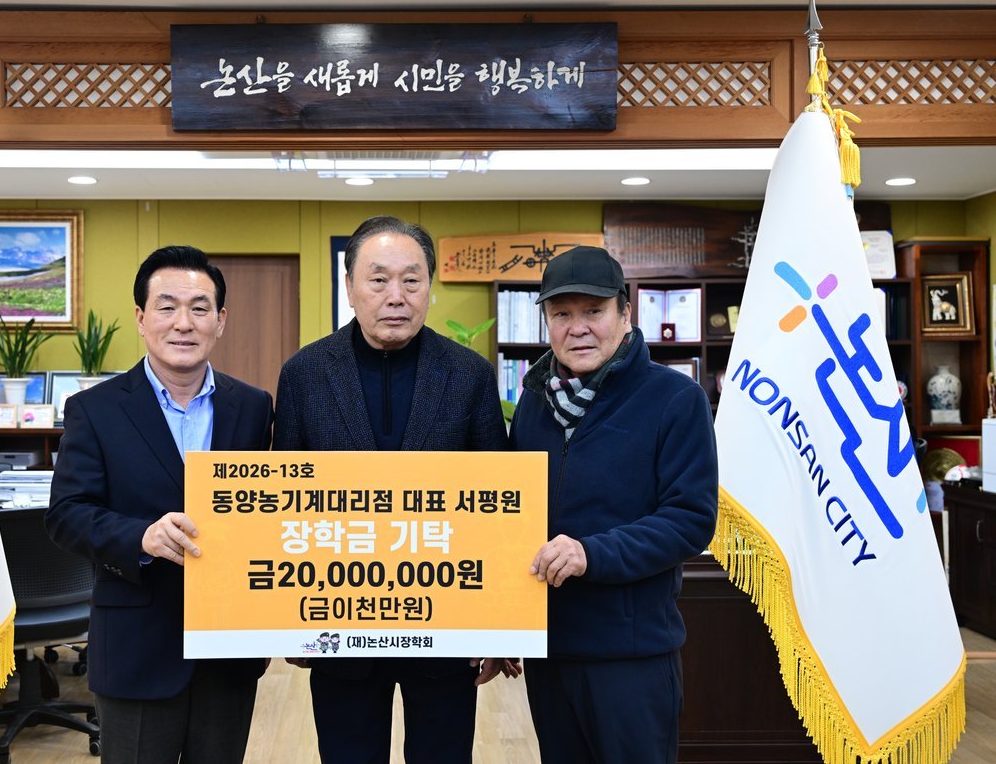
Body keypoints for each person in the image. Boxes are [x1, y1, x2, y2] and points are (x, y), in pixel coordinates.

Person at [273, 215, 514, 764]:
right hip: (338, 623)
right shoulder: (304, 374)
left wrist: (500, 622)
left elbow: (499, 505)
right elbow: (284, 505)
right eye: (378, 279)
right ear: (349, 286)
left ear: (430, 287)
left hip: (446, 625)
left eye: (412, 279)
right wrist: (288, 620)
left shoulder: (470, 374)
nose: (396, 296)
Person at [46, 245, 273, 764]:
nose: (183, 323)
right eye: (167, 307)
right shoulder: (95, 410)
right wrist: (140, 537)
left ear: (220, 320)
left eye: (199, 308)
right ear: (142, 318)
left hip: (228, 646)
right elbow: (66, 514)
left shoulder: (253, 407)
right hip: (137, 644)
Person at [509, 245, 718, 764]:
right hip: (550, 652)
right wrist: (503, 626)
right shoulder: (534, 403)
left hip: (631, 655)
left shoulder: (675, 398)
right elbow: (513, 516)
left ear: (625, 313)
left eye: (594, 311)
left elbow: (690, 519)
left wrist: (591, 553)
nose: (577, 328)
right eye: (561, 314)